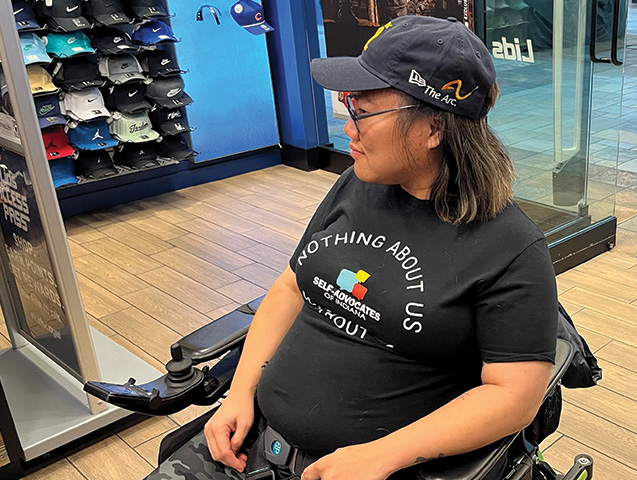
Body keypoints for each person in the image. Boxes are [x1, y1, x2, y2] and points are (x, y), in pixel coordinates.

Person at [145, 15, 558, 480]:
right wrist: (240, 392)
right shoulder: (357, 185)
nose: (347, 128)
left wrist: (384, 454)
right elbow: (291, 288)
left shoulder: (511, 247)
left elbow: (513, 396)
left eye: (362, 111)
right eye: (348, 105)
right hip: (252, 442)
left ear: (434, 128)